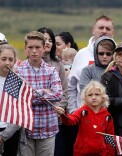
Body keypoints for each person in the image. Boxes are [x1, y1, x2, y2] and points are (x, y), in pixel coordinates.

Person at [16, 31, 63, 156]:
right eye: (30, 47)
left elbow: (58, 94)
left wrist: (30, 94)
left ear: (43, 48)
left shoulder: (51, 71)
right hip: (27, 129)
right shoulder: (18, 72)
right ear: (25, 49)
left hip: (48, 127)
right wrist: (45, 92)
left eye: (37, 47)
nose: (34, 51)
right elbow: (18, 98)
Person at [68, 15, 115, 112]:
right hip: (85, 112)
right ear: (93, 30)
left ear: (113, 33)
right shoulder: (82, 54)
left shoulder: (119, 55)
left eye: (108, 29)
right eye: (101, 28)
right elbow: (71, 86)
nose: (104, 31)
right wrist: (73, 110)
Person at [55, 81, 115, 156]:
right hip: (81, 152)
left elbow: (110, 138)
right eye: (90, 95)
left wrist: (110, 154)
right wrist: (63, 114)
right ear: (85, 98)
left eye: (97, 94)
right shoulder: (82, 110)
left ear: (103, 98)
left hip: (100, 153)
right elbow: (71, 121)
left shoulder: (107, 116)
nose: (93, 97)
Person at [37, 27, 69, 156]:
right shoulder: (27, 65)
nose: (48, 42)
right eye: (44, 39)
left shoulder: (58, 63)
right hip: (35, 117)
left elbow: (64, 91)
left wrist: (58, 108)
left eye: (50, 40)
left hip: (55, 118)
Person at [0, 44, 20, 156]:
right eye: (3, 59)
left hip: (11, 132)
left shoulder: (17, 82)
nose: (7, 62)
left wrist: (4, 136)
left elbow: (20, 112)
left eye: (10, 59)